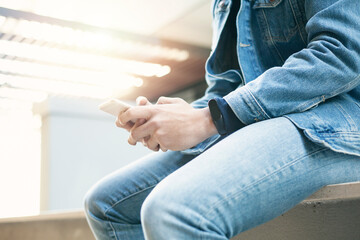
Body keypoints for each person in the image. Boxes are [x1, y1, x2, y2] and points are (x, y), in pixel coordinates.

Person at [84, 0, 360, 239]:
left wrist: (207, 119)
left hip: (338, 124)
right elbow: (224, 90)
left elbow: (342, 54)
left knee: (174, 211)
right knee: (107, 205)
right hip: (264, 123)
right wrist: (172, 119)